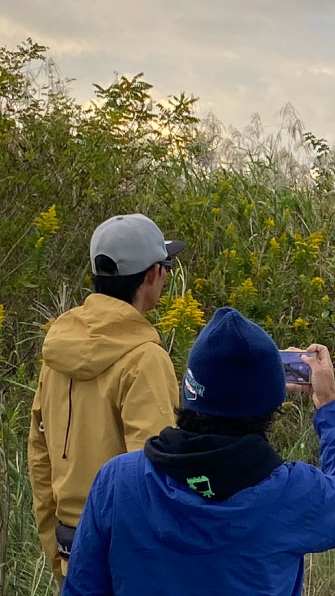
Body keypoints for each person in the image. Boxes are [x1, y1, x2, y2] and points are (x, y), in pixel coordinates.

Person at [64, 308, 335, 596]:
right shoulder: (293, 494)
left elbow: (82, 588)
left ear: (189, 391)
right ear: (270, 408)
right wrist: (330, 403)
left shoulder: (118, 481)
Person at [27, 214, 184, 589]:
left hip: (72, 553)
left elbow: (40, 458)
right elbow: (154, 476)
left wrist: (57, 552)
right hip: (127, 560)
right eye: (165, 268)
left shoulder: (57, 353)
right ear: (151, 275)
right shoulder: (145, 359)